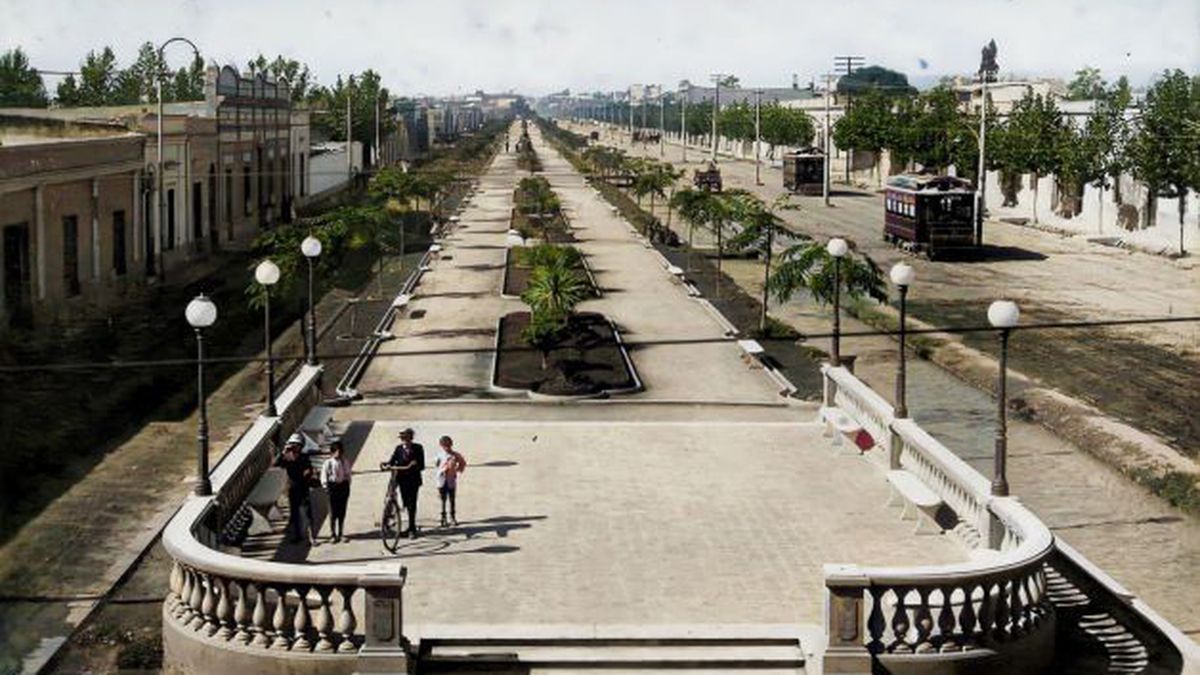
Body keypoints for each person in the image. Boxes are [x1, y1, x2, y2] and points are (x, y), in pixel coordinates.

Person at [381, 428, 425, 538]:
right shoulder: (399, 449)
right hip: (401, 479)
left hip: (413, 480)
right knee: (405, 502)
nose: (405, 441)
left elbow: (422, 465)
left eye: (407, 438)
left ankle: (412, 528)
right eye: (403, 439)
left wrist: (413, 465)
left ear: (411, 438)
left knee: (411, 504)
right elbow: (392, 460)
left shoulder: (418, 448)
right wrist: (386, 464)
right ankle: (391, 518)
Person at [275, 434, 317, 545]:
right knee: (295, 514)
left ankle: (311, 537)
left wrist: (307, 474)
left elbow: (309, 469)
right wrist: (284, 452)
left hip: (303, 488)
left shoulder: (304, 457)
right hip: (293, 489)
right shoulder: (287, 457)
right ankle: (298, 535)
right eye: (293, 445)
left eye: (297, 445)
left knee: (307, 514)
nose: (295, 447)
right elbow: (277, 464)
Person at [320, 441, 352, 543]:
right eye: (337, 452)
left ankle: (341, 533)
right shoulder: (328, 463)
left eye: (340, 452)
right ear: (332, 452)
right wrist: (326, 487)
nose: (339, 454)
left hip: (342, 487)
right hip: (332, 487)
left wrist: (346, 486)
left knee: (342, 511)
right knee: (333, 512)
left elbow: (348, 474)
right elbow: (323, 477)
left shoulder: (344, 461)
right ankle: (333, 534)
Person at [435, 436, 467, 527]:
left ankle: (452, 517)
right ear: (441, 446)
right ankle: (443, 517)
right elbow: (437, 465)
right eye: (445, 446)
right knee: (443, 499)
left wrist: (457, 470)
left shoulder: (455, 455)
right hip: (441, 480)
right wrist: (442, 469)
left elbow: (463, 463)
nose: (447, 448)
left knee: (452, 499)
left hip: (451, 480)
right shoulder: (439, 455)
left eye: (448, 446)